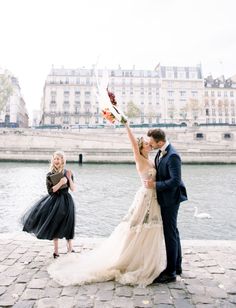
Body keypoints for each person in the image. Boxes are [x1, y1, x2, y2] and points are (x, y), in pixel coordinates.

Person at [47, 123, 165, 287]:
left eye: (148, 143)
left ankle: (143, 260)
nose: (149, 145)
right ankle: (130, 260)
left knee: (148, 229)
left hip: (153, 197)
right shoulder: (139, 158)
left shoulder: (151, 159)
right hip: (145, 197)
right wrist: (126, 125)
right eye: (146, 143)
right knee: (136, 229)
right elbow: (132, 141)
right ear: (140, 147)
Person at [146, 129, 187, 283]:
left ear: (160, 142)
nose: (150, 145)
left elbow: (175, 181)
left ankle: (170, 272)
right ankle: (177, 266)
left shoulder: (173, 155)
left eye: (152, 143)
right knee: (173, 232)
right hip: (166, 196)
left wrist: (155, 184)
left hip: (171, 199)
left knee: (170, 234)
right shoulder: (161, 151)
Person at [21, 151, 76, 258]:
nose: (56, 161)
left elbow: (73, 189)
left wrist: (69, 178)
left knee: (69, 223)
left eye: (58, 159)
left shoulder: (68, 172)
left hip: (67, 201)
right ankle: (56, 252)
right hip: (55, 202)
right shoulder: (49, 175)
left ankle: (70, 248)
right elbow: (50, 192)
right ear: (53, 160)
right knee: (55, 225)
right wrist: (60, 183)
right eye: (55, 159)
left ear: (62, 161)